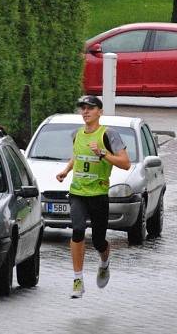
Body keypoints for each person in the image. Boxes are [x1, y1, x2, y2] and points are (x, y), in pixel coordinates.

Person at [56, 95, 131, 298]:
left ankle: (104, 262)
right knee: (78, 230)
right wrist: (66, 170)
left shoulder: (109, 135)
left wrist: (103, 154)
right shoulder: (76, 134)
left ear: (100, 111)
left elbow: (125, 163)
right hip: (78, 191)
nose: (85, 112)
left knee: (98, 241)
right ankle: (78, 279)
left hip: (98, 194)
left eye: (90, 108)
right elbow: (77, 156)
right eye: (83, 108)